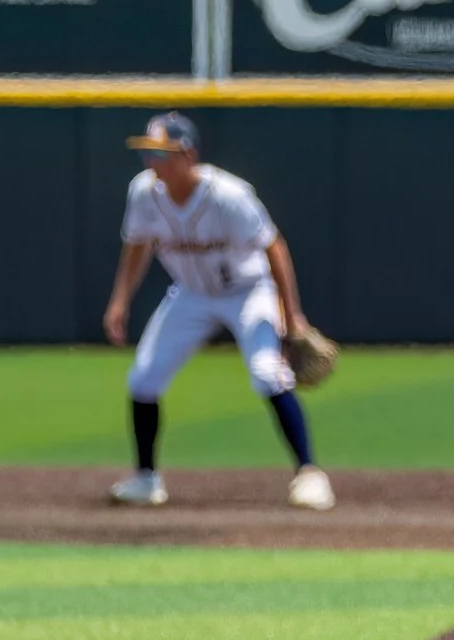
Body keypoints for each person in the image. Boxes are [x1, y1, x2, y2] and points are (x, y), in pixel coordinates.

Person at [102, 112, 334, 512]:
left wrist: (292, 315)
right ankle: (146, 479)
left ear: (187, 154)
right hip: (191, 294)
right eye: (147, 153)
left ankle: (310, 474)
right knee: (143, 378)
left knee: (267, 373)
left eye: (161, 153)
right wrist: (120, 300)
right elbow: (137, 244)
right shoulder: (143, 192)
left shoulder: (228, 195)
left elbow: (274, 247)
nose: (152, 161)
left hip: (249, 291)